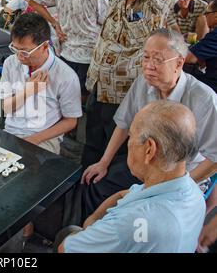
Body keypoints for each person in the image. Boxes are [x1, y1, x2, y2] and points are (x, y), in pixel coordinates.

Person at [81, 29, 217, 219]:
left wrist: (172, 186)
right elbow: (124, 123)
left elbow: (214, 159)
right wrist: (103, 162)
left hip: (182, 176)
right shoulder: (142, 84)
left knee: (149, 216)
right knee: (96, 186)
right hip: (144, 164)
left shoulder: (204, 99)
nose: (148, 66)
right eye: (145, 58)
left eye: (158, 60)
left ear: (179, 63)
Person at [57, 100, 206, 253]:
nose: (128, 142)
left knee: (66, 234)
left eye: (131, 136)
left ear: (149, 149)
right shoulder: (194, 193)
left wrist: (92, 226)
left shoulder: (133, 223)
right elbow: (125, 194)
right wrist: (94, 220)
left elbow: (65, 249)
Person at [81, 0, 176, 169]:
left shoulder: (156, 0)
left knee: (119, 157)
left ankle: (111, 198)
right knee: (91, 147)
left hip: (125, 97)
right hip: (98, 87)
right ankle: (84, 191)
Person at [0, 13, 82, 155]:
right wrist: (27, 91)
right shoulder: (10, 63)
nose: (19, 56)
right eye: (15, 48)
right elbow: (6, 108)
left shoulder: (66, 76)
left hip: (44, 138)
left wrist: (35, 139)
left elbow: (70, 121)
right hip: (11, 131)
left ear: (44, 46)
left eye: (25, 52)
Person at [29, 0, 108, 101]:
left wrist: (54, 22)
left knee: (64, 93)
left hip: (64, 52)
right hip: (87, 56)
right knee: (80, 98)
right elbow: (105, 21)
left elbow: (33, 1)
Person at [186, 0, 217, 93]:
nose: (205, 17)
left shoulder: (215, 35)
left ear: (216, 15)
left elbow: (189, 58)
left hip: (213, 85)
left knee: (181, 68)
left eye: (206, 13)